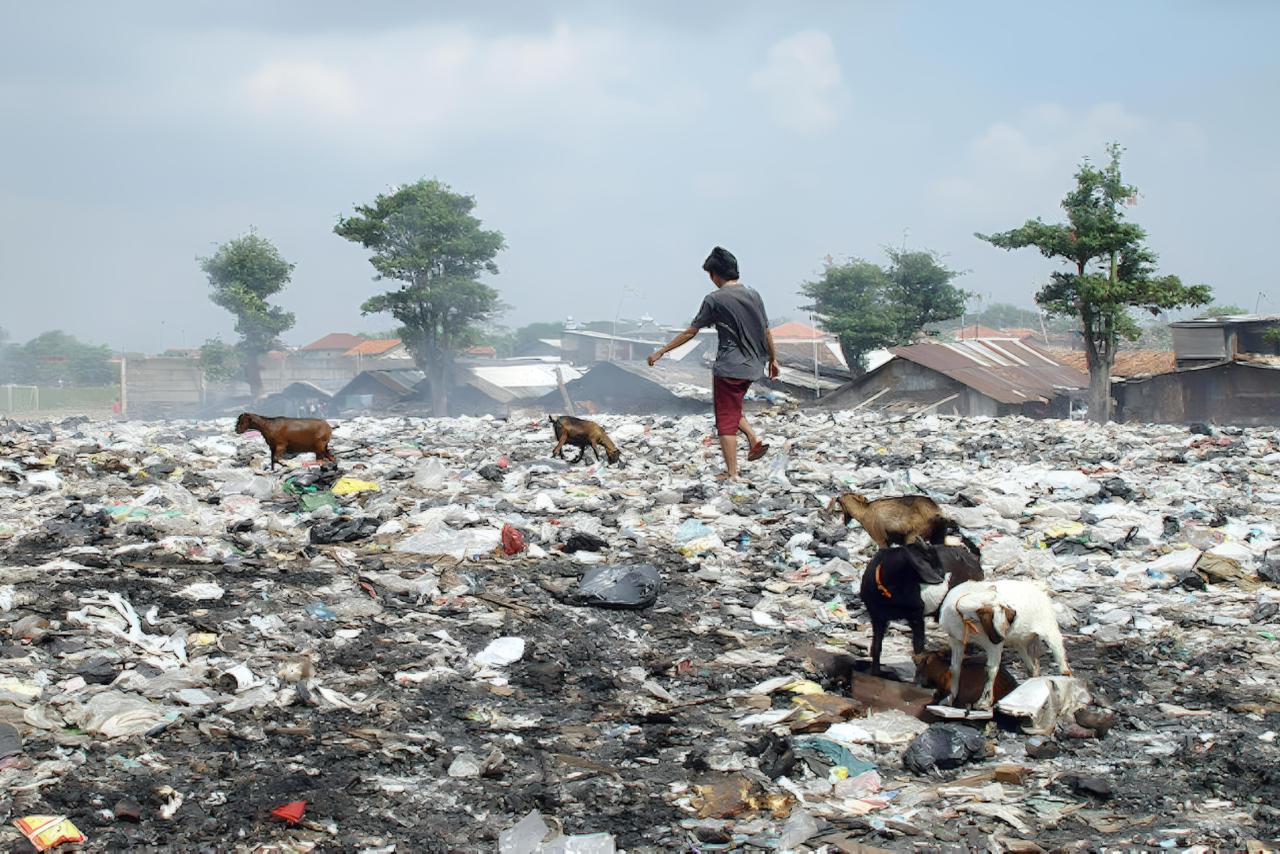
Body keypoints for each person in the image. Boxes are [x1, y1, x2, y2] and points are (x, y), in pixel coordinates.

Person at [648, 246, 780, 481]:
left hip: (729, 367)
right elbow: (766, 330)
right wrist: (773, 359)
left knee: (725, 421)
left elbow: (691, 332)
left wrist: (661, 352)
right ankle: (753, 439)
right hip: (753, 366)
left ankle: (732, 473)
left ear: (715, 275)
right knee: (730, 408)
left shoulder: (714, 299)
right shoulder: (754, 294)